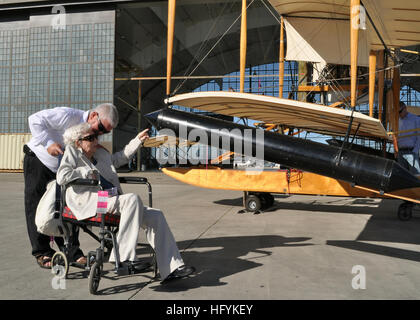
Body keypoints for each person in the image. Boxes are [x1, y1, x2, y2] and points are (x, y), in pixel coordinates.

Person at [56, 122, 195, 282]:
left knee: (156, 216)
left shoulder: (100, 155)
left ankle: (171, 269)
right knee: (132, 199)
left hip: (109, 199)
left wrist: (137, 140)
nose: (96, 141)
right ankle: (123, 258)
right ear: (78, 142)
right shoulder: (72, 152)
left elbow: (121, 157)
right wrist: (86, 172)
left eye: (96, 137)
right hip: (92, 201)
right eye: (91, 138)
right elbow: (62, 176)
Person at [24, 103, 118, 269]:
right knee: (37, 205)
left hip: (62, 169)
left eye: (105, 132)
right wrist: (49, 143)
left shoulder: (91, 131)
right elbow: (34, 120)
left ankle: (72, 251)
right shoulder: (67, 115)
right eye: (101, 127)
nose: (100, 133)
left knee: (67, 207)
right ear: (93, 115)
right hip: (39, 161)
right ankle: (42, 251)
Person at [398, 101, 420, 174]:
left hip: (411, 152)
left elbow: (419, 137)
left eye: (400, 111)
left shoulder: (415, 119)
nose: (399, 114)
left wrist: (414, 152)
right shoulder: (397, 121)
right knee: (403, 177)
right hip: (400, 152)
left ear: (405, 108)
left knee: (415, 176)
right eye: (397, 112)